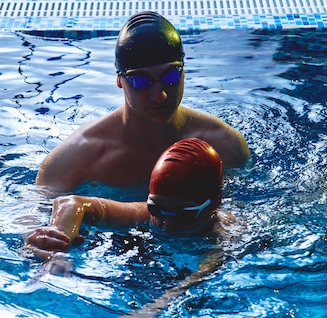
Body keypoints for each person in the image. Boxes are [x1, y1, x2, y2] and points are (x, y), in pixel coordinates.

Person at [24, 138, 243, 318]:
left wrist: (152, 309)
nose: (166, 223)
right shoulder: (145, 215)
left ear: (214, 205)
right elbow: (71, 203)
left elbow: (200, 276)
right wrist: (59, 244)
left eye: (182, 214)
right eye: (156, 208)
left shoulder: (222, 236)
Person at [36, 11, 250, 193]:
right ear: (120, 81)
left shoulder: (224, 145)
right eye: (141, 81)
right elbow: (32, 215)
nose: (160, 95)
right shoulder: (76, 158)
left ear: (184, 74)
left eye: (170, 77)